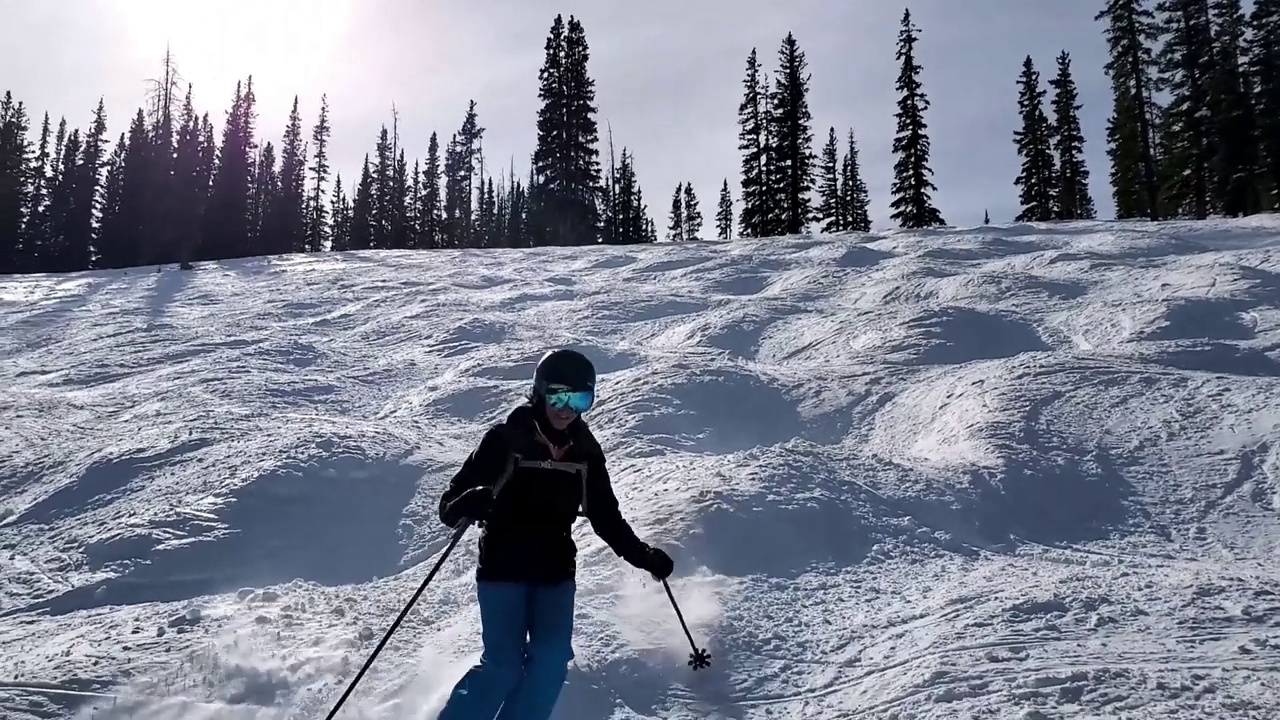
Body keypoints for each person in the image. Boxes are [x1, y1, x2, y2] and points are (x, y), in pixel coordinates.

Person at [434, 348, 675, 720]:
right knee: (503, 665)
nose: (566, 408)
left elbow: (605, 517)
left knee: (551, 663)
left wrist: (643, 556)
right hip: (503, 570)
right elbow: (450, 505)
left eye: (579, 398)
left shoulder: (586, 454)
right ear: (540, 393)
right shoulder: (505, 439)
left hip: (555, 574)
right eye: (558, 396)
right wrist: (469, 502)